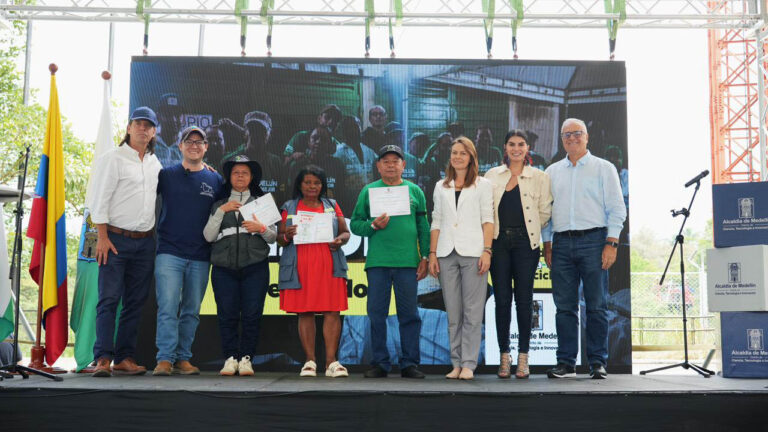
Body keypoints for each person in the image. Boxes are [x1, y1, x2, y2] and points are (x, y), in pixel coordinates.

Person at [543, 118, 626, 380]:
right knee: (565, 307)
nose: (572, 138)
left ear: (587, 137)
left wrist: (611, 243)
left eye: (577, 133)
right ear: (561, 140)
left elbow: (617, 209)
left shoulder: (604, 168)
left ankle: (598, 362)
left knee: (597, 306)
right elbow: (545, 212)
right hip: (561, 243)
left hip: (595, 241)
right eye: (567, 134)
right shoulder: (552, 172)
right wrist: (547, 244)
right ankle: (566, 363)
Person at [89, 107, 164, 377]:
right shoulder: (113, 158)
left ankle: (124, 358)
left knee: (135, 302)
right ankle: (102, 358)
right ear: (129, 128)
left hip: (145, 243)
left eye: (148, 125)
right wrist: (102, 237)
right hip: (114, 240)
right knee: (109, 299)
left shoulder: (155, 163)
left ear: (154, 132)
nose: (143, 128)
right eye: (138, 124)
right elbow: (99, 199)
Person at [350, 144, 430, 379]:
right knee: (376, 314)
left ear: (403, 165)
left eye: (395, 161)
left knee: (410, 314)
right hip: (378, 262)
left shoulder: (415, 191)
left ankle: (410, 363)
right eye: (386, 161)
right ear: (378, 166)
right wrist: (373, 225)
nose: (391, 165)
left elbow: (423, 227)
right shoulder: (369, 191)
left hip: (408, 262)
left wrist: (425, 256)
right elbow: (355, 224)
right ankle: (380, 363)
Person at [152, 126, 224, 376]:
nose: (194, 145)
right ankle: (164, 359)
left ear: (206, 147)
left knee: (191, 311)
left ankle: (183, 358)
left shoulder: (215, 179)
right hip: (169, 252)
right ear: (180, 146)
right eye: (189, 141)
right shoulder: (166, 175)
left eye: (199, 141)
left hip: (201, 255)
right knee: (168, 308)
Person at [485, 129, 552, 379]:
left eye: (521, 144)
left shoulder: (540, 177)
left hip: (526, 244)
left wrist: (530, 230)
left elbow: (544, 212)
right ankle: (505, 356)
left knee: (525, 300)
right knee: (502, 300)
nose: (516, 148)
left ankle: (524, 357)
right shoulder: (491, 176)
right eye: (511, 144)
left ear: (527, 148)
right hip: (498, 243)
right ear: (505, 147)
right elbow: (485, 211)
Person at [203, 155, 276, 376]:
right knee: (227, 314)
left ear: (252, 177)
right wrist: (221, 211)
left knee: (253, 314)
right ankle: (230, 358)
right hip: (223, 268)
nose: (240, 176)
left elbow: (273, 237)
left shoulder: (262, 202)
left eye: (245, 173)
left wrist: (260, 228)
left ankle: (246, 359)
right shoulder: (218, 204)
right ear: (229, 177)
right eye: (236, 173)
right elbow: (208, 236)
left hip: (256, 266)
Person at [428, 137, 493, 380]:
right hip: (446, 254)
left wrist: (487, 250)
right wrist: (432, 254)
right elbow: (436, 221)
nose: (457, 157)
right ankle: (456, 363)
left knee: (472, 313)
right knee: (453, 313)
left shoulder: (483, 185)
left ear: (471, 157)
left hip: (474, 253)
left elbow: (488, 220)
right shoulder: (440, 186)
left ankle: (469, 364)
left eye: (462, 153)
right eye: (454, 152)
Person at [277, 165, 351, 378]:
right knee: (305, 311)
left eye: (317, 183)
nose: (312, 186)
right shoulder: (289, 207)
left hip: (329, 265)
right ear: (300, 185)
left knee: (332, 311)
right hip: (301, 266)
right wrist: (287, 235)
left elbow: (345, 233)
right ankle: (310, 362)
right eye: (308, 182)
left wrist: (340, 240)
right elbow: (280, 239)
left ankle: (331, 362)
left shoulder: (332, 205)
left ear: (322, 185)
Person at [288, 127, 348, 211]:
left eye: (323, 139)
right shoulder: (297, 166)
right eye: (315, 138)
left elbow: (342, 195)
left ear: (329, 144)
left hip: (330, 213)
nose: (318, 142)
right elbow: (292, 197)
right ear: (309, 142)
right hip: (304, 213)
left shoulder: (337, 165)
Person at [154, 93, 184, 167]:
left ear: (183, 118)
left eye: (177, 115)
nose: (173, 120)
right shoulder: (147, 144)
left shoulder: (189, 146)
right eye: (168, 115)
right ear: (158, 117)